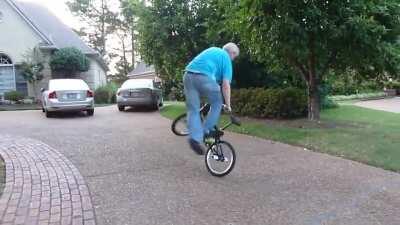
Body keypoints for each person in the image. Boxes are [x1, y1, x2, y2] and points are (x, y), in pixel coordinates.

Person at [183, 43, 240, 155]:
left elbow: (209, 74)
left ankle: (194, 139)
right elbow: (225, 85)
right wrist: (228, 105)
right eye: (234, 56)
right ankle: (207, 132)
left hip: (188, 75)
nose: (233, 59)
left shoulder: (212, 50)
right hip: (204, 78)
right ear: (232, 53)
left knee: (193, 109)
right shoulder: (226, 58)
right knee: (218, 102)